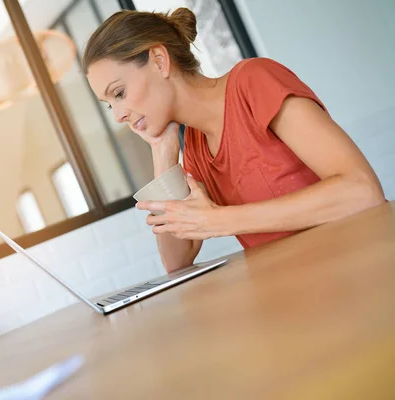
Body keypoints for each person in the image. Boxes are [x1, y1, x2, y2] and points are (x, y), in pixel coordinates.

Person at [82, 8, 385, 272]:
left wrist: (222, 220)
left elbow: (362, 191)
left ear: (160, 60)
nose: (118, 115)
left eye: (119, 93)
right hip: (300, 301)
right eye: (110, 105)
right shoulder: (196, 148)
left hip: (361, 273)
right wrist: (163, 153)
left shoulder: (254, 81)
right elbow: (176, 261)